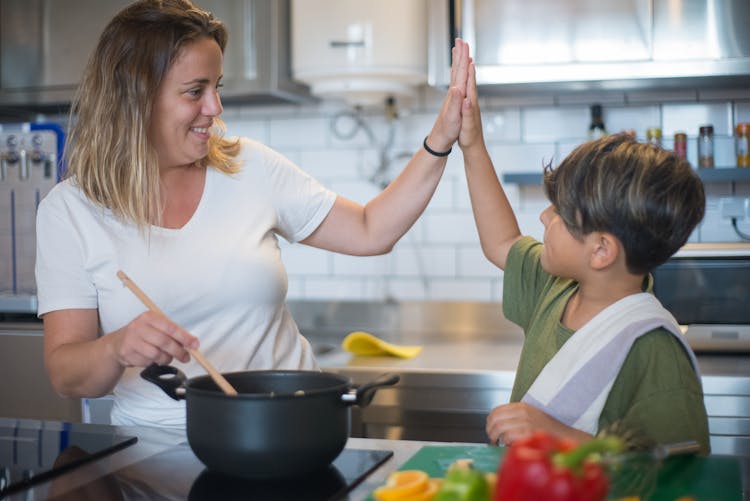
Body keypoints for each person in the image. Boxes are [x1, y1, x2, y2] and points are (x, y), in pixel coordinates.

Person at [35, 0, 471, 428]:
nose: (215, 108)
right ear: (135, 99)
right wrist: (116, 348)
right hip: (157, 453)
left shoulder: (250, 166)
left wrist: (441, 137)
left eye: (216, 87)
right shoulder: (71, 211)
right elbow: (66, 374)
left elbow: (370, 230)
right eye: (195, 91)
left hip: (293, 427)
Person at [455, 59, 710, 452]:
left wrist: (555, 433)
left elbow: (680, 474)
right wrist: (472, 144)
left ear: (602, 251)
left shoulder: (655, 351)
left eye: (558, 212)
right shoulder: (555, 287)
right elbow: (502, 242)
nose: (544, 215)